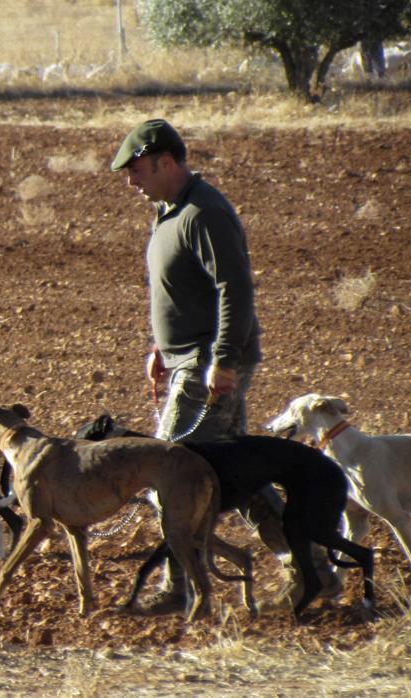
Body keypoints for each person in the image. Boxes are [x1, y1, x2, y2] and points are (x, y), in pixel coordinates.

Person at [111, 119, 336, 612]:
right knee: (237, 475)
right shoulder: (169, 211)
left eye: (137, 169)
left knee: (172, 472)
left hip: (207, 364)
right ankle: (313, 569)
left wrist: (224, 361)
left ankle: (180, 588)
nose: (131, 180)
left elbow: (235, 290)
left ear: (166, 162)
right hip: (187, 359)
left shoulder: (205, 211)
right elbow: (181, 292)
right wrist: (160, 350)